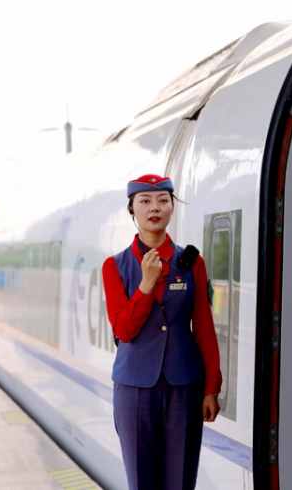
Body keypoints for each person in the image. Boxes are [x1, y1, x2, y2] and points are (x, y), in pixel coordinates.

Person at [102, 174, 222, 489]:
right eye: (144, 201)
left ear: (171, 208)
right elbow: (124, 330)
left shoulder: (191, 263)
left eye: (162, 200)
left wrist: (212, 388)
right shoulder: (114, 267)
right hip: (134, 389)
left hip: (185, 386)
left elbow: (204, 328)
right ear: (132, 210)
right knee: (142, 482)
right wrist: (145, 285)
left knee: (181, 481)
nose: (154, 207)